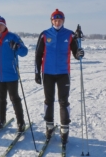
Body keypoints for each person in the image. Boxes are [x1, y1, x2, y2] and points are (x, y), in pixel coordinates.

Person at [35, 9, 85, 144]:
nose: (57, 22)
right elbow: (38, 55)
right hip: (48, 73)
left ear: (63, 21)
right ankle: (49, 126)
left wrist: (79, 53)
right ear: (51, 21)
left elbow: (75, 53)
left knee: (63, 101)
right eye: (55, 20)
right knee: (49, 100)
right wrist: (37, 72)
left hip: (64, 73)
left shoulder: (70, 35)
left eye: (60, 20)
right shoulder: (44, 35)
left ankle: (64, 130)